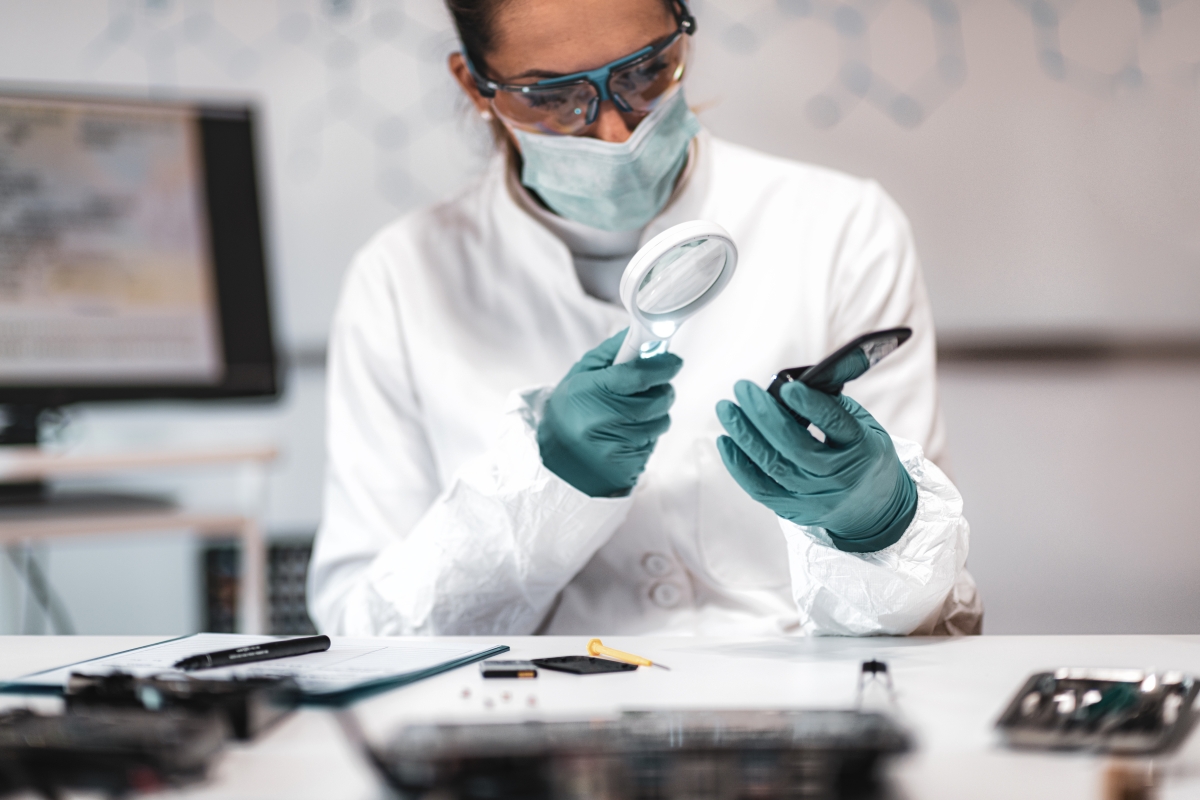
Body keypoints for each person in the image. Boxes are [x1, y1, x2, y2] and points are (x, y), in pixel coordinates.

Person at [307, 0, 982, 637]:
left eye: (643, 72)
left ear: (681, 29)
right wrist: (543, 487)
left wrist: (879, 528)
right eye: (553, 97)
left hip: (793, 719)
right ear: (475, 83)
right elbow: (364, 634)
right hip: (532, 726)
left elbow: (931, 629)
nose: (615, 130)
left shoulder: (839, 227)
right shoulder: (398, 278)